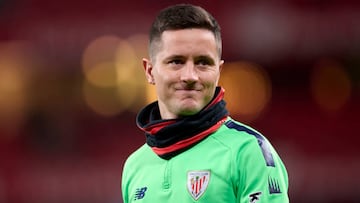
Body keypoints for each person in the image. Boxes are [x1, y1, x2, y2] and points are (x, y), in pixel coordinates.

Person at [121, 4, 289, 203]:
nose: (190, 76)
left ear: (218, 71)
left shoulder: (249, 153)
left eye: (203, 62)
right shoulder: (135, 166)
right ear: (149, 71)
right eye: (176, 61)